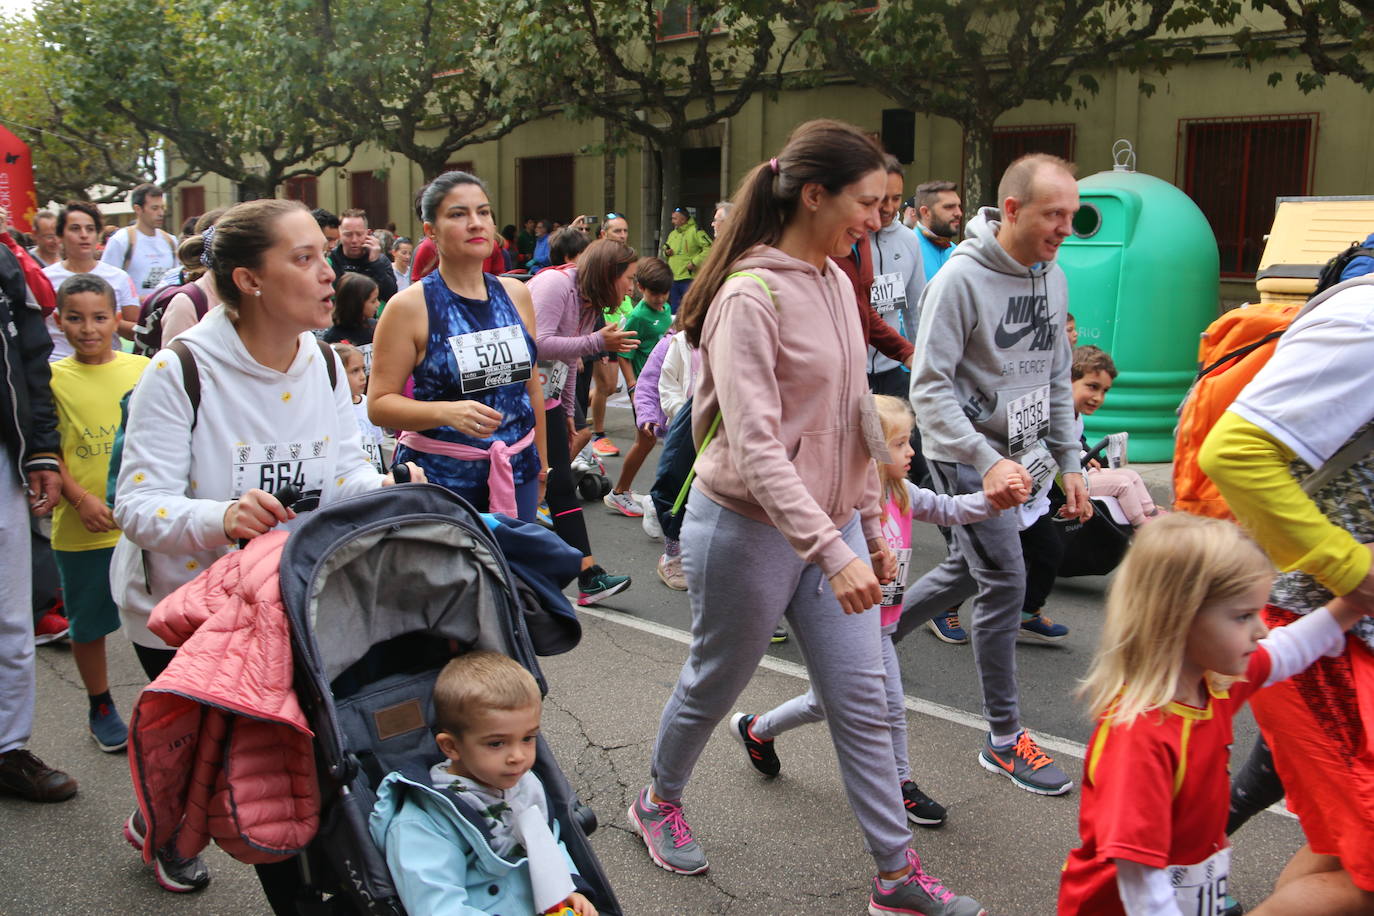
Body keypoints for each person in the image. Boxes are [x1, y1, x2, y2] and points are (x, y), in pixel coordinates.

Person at [632, 119, 985, 916]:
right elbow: (757, 449)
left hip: (832, 534)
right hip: (744, 530)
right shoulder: (747, 296)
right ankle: (656, 800)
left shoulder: (834, 279)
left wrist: (868, 522)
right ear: (815, 193)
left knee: (864, 700)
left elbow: (853, 414)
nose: (879, 219)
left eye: (887, 204)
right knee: (714, 680)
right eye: (867, 202)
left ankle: (895, 877)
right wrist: (836, 549)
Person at [111, 197, 421, 898]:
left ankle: (194, 813)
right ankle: (163, 825)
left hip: (282, 597)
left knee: (265, 766)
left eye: (324, 256)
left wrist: (390, 483)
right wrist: (223, 516)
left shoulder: (326, 365)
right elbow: (134, 506)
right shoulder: (179, 372)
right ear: (249, 280)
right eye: (303, 258)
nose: (326, 275)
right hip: (179, 609)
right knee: (201, 758)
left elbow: (341, 474)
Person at [894, 153, 1089, 798]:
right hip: (968, 458)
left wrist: (1070, 463)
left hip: (1027, 456)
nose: (1066, 227)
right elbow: (929, 390)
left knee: (966, 571)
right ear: (1011, 210)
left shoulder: (1052, 276)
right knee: (1004, 577)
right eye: (1053, 215)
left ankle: (871, 640)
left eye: (1071, 214)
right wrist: (985, 459)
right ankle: (1004, 739)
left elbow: (1056, 377)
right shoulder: (959, 280)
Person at [1057, 514, 1368, 916]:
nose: (1261, 630)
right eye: (1243, 616)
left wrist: (1353, 604)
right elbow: (1139, 877)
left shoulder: (1212, 686)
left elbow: (1287, 650)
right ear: (1178, 619)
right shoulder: (1139, 737)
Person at [730, 395, 993, 829]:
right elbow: (813, 560)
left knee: (826, 702)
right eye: (903, 443)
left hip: (882, 626)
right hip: (845, 625)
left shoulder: (902, 491)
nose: (913, 453)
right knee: (885, 707)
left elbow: (948, 508)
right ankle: (900, 785)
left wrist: (992, 500)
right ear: (871, 448)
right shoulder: (845, 500)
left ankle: (758, 729)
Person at [1199, 271, 1374, 913]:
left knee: (1342, 854)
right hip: (1330, 634)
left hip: (1341, 626)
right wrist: (1353, 573)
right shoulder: (1366, 322)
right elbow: (1235, 454)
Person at [369, 171, 546, 522]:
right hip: (442, 483)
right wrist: (446, 412)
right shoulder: (410, 307)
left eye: (483, 212)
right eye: (458, 214)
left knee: (515, 574)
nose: (476, 223)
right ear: (430, 231)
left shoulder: (516, 294)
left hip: (516, 470)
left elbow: (531, 386)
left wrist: (542, 464)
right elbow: (378, 404)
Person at [370, 651, 597, 916]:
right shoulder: (425, 820)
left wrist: (567, 889)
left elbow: (546, 841)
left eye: (528, 738)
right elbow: (437, 908)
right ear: (451, 747)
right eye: (497, 743)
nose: (518, 757)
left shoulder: (521, 784)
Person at [49, 274, 150, 753]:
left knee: (158, 617)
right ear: (58, 321)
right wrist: (79, 498)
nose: (88, 328)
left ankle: (173, 700)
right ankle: (101, 703)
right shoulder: (51, 379)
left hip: (140, 527)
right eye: (75, 318)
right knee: (89, 624)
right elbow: (49, 451)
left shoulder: (144, 368)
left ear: (118, 320)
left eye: (99, 317)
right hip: (83, 529)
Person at [0, 244, 77, 805]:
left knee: (10, 619)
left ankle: (7, 749)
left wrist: (42, 451)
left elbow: (32, 360)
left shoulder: (5, 263)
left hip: (4, 455)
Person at [528, 239, 637, 606]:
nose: (630, 288)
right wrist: (596, 341)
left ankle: (588, 576)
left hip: (547, 399)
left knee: (559, 486)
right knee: (527, 488)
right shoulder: (555, 285)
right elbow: (539, 344)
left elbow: (570, 360)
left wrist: (567, 411)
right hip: (516, 400)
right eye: (628, 278)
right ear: (609, 274)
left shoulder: (590, 302)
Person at [603, 257, 674, 517]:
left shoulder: (665, 310)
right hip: (645, 390)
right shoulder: (637, 317)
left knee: (648, 441)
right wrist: (633, 386)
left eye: (664, 292)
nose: (660, 298)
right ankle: (619, 492)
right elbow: (624, 354)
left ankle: (625, 491)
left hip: (663, 386)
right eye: (655, 293)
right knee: (646, 441)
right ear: (641, 288)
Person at [1072, 346, 1164, 527]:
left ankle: (1152, 513)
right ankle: (1141, 527)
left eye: (1104, 391)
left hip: (1079, 472)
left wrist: (1083, 455)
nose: (1098, 398)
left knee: (1131, 475)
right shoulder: (1059, 416)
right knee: (1122, 484)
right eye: (1092, 387)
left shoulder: (1076, 415)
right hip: (1070, 481)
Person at [43, 201, 140, 351]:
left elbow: (135, 330)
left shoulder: (119, 277)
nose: (84, 235)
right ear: (60, 235)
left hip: (107, 367)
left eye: (90, 229)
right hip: (58, 366)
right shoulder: (44, 278)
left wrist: (106, 319)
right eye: (75, 229)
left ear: (98, 235)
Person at [866, 155, 925, 398]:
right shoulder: (847, 240)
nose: (889, 207)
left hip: (895, 370)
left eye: (896, 198)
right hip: (853, 371)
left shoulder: (909, 240)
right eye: (881, 198)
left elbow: (915, 310)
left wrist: (921, 361)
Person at [100, 183, 177, 301]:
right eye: (154, 208)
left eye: (162, 208)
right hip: (133, 316)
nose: (161, 213)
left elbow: (177, 279)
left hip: (167, 313)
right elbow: (106, 283)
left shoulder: (171, 241)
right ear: (138, 209)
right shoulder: (121, 240)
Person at [335, 343, 385, 473]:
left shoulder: (368, 403)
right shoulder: (334, 410)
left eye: (363, 369)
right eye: (355, 371)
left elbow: (377, 445)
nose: (363, 376)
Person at [329, 208, 398, 303]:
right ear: (339, 234)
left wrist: (375, 262)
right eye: (348, 235)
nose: (354, 240)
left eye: (359, 234)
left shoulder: (381, 260)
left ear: (368, 233)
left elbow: (391, 295)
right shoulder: (331, 260)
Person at [911, 181, 963, 282]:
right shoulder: (906, 250)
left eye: (958, 206)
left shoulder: (956, 252)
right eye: (949, 207)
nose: (959, 213)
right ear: (925, 212)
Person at [663, 206, 711, 312]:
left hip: (689, 277)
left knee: (689, 308)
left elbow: (709, 248)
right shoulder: (673, 234)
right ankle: (675, 328)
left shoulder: (695, 231)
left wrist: (694, 262)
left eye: (675, 218)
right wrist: (666, 252)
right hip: (674, 278)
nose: (672, 221)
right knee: (675, 309)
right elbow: (665, 248)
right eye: (672, 218)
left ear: (683, 219)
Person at [322, 272, 379, 348]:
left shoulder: (375, 327)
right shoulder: (334, 337)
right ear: (356, 304)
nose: (378, 304)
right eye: (373, 301)